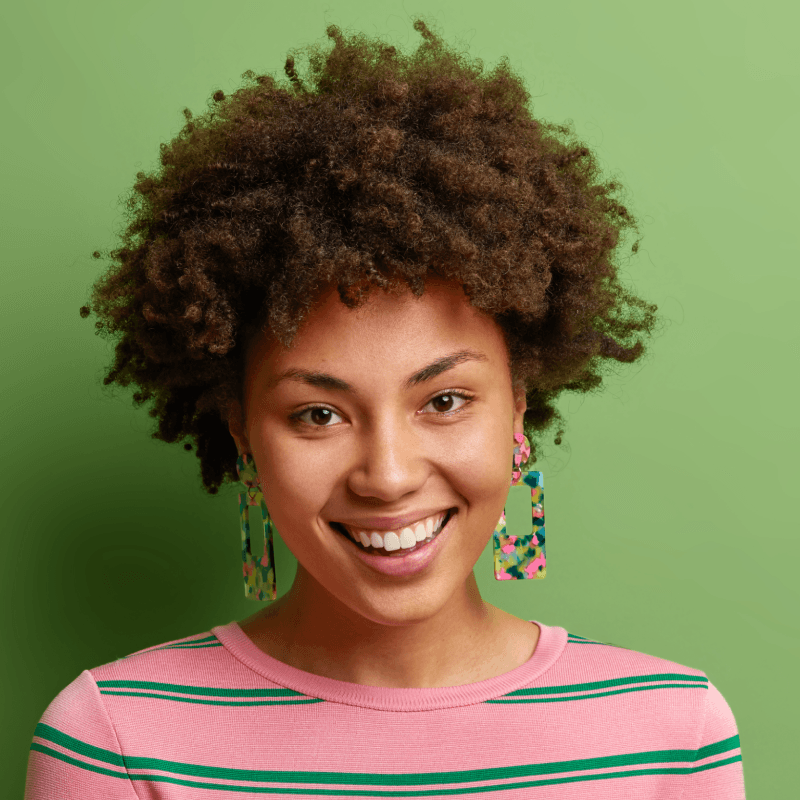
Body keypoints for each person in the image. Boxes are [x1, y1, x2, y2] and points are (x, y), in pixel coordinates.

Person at [24, 18, 745, 799]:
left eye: (443, 399)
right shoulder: (115, 738)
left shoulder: (673, 735)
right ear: (241, 430)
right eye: (317, 415)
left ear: (518, 408)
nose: (388, 476)